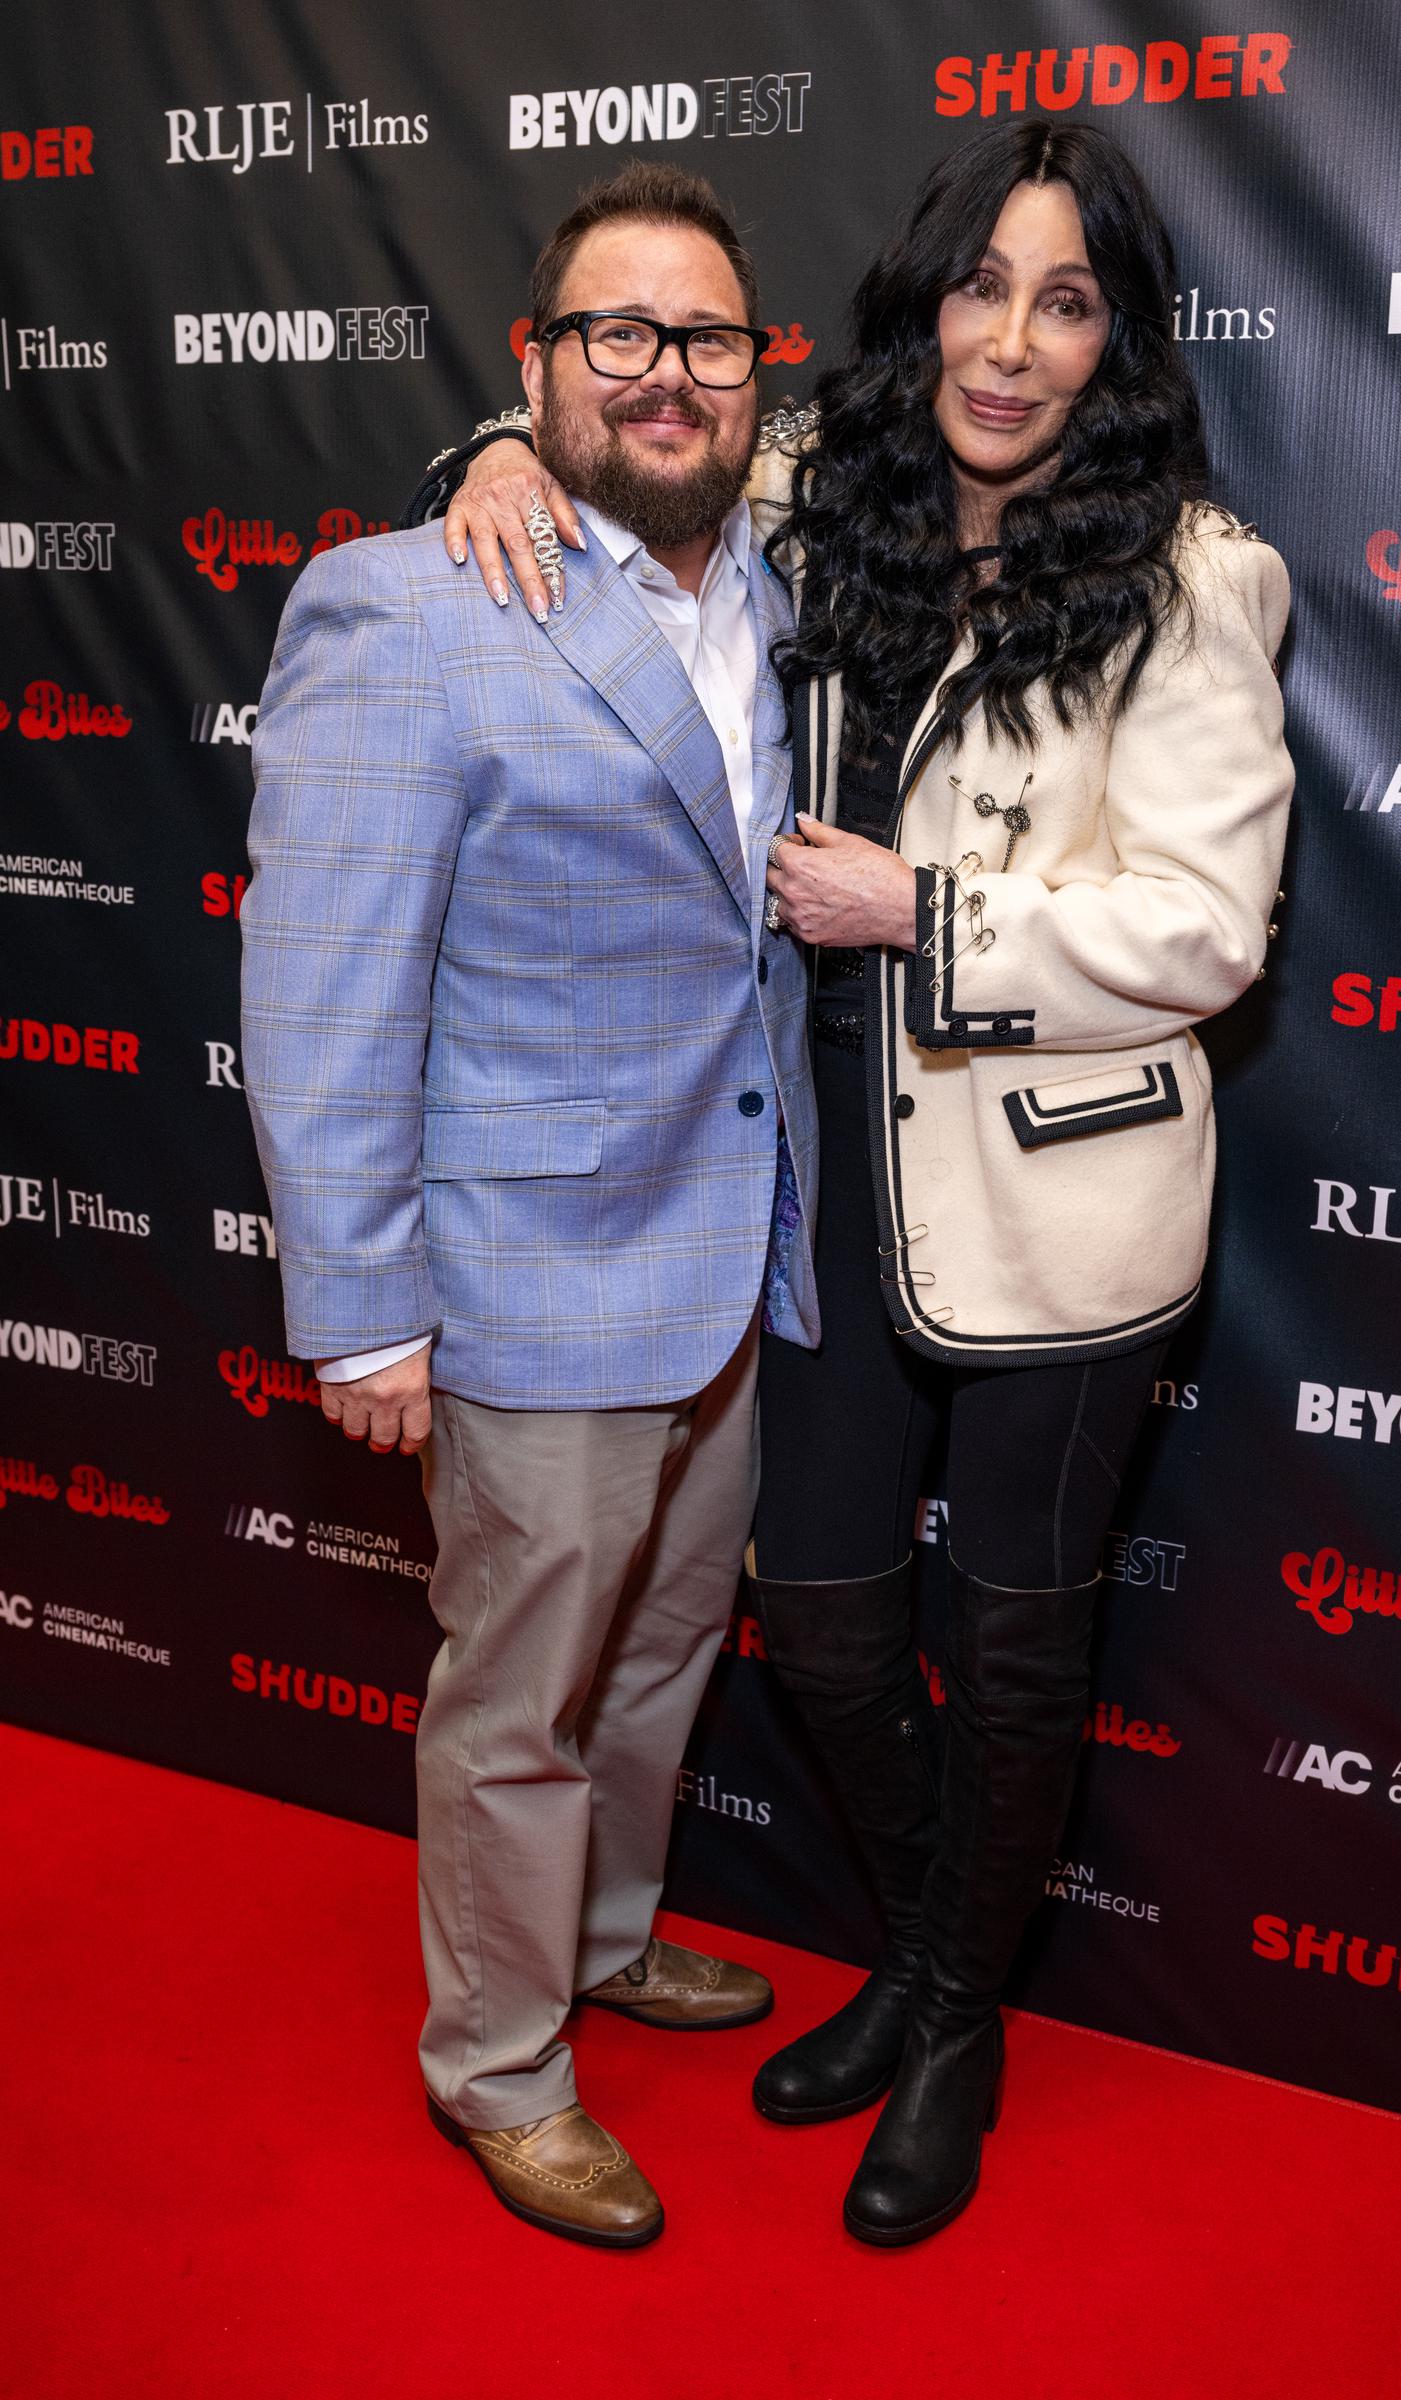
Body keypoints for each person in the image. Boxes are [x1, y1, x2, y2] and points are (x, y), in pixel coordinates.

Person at [412, 119, 1293, 2246]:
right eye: (982, 285)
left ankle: (953, 2019)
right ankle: (922, 1950)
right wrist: (487, 459)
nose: (1010, 339)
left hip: (1062, 1212)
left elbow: (1207, 928)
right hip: (815, 1184)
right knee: (810, 1616)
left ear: (1118, 343)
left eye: (1066, 300)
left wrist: (932, 912)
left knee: (1005, 1657)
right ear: (923, 302)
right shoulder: (825, 483)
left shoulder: (1191, 573)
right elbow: (637, 428)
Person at [241, 162, 819, 2251]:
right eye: (613, 335)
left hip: (723, 1259)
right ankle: (496, 2065)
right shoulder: (408, 605)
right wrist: (366, 1313)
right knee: (519, 1701)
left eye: (706, 339)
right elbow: (321, 979)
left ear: (762, 376)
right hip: (522, 1280)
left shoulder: (769, 569)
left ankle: (603, 1939)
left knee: (659, 1659)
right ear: (536, 364)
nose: (664, 376)